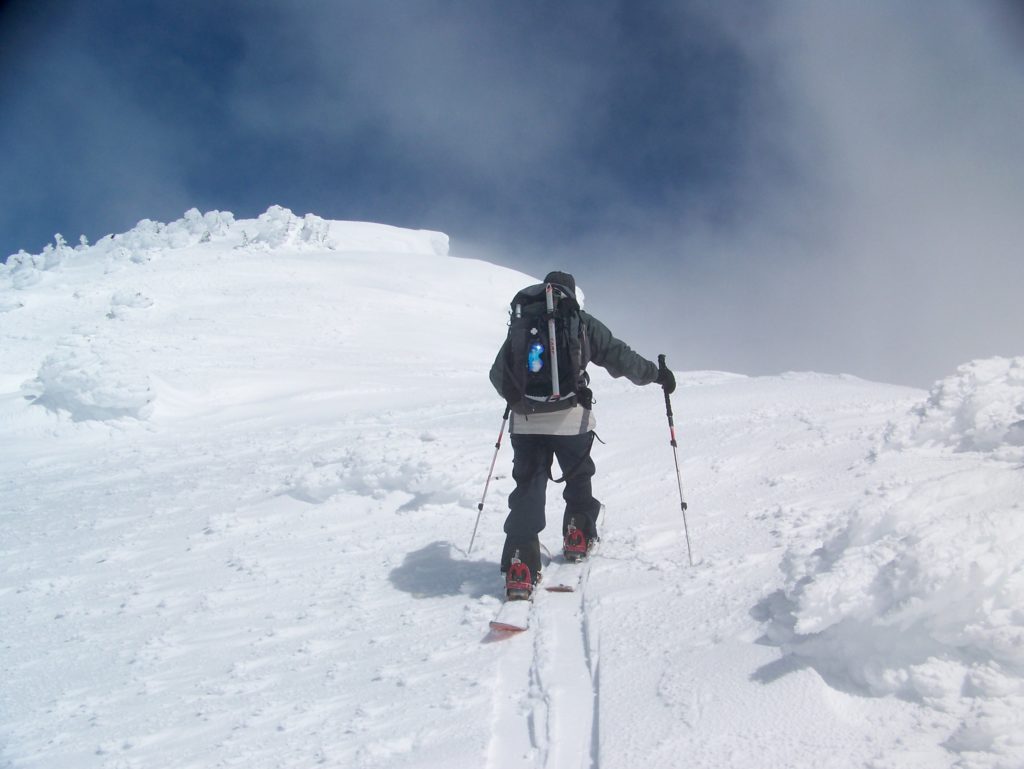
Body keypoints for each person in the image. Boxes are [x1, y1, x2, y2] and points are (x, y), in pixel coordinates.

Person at [488, 270, 675, 598]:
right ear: (571, 293)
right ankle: (578, 532)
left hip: (526, 422)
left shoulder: (522, 321)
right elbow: (621, 357)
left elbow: (497, 374)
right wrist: (657, 375)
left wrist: (520, 400)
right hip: (571, 420)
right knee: (578, 475)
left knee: (528, 487)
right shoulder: (578, 320)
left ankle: (521, 561)